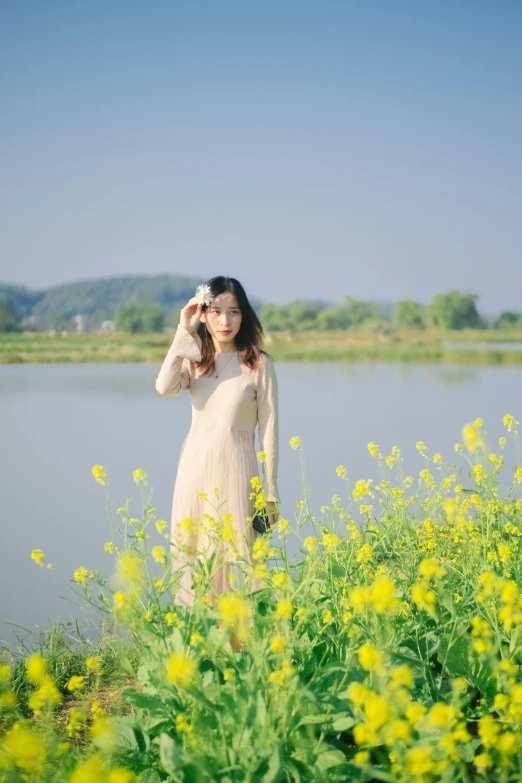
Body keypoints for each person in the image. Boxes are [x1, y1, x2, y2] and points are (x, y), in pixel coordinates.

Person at [155, 275, 280, 608]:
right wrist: (184, 331)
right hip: (195, 471)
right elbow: (164, 387)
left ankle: (241, 651)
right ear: (204, 315)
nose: (225, 321)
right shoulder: (194, 360)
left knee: (238, 562)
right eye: (217, 311)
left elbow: (268, 431)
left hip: (239, 472)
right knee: (194, 559)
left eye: (234, 311)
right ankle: (199, 648)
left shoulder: (258, 363)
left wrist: (270, 492)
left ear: (245, 315)